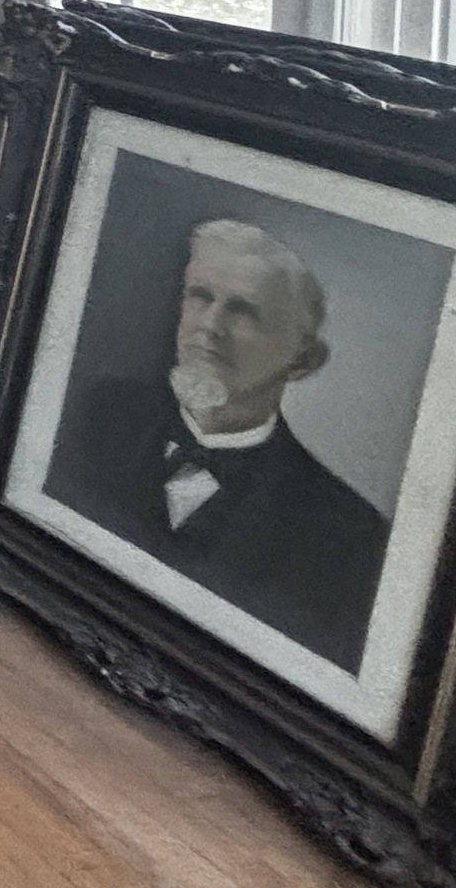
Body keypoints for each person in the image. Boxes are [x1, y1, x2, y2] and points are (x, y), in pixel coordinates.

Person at [44, 217, 390, 670]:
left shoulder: (353, 538)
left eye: (244, 311)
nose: (210, 326)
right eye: (200, 297)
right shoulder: (96, 414)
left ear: (303, 360)